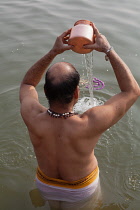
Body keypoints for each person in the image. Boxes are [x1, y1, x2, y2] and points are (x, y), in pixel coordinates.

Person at [19, 24, 140, 205]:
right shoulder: (90, 122)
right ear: (77, 93)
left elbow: (27, 84)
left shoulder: (32, 115)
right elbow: (132, 91)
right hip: (80, 189)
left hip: (45, 184)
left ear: (45, 91)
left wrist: (53, 52)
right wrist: (108, 49)